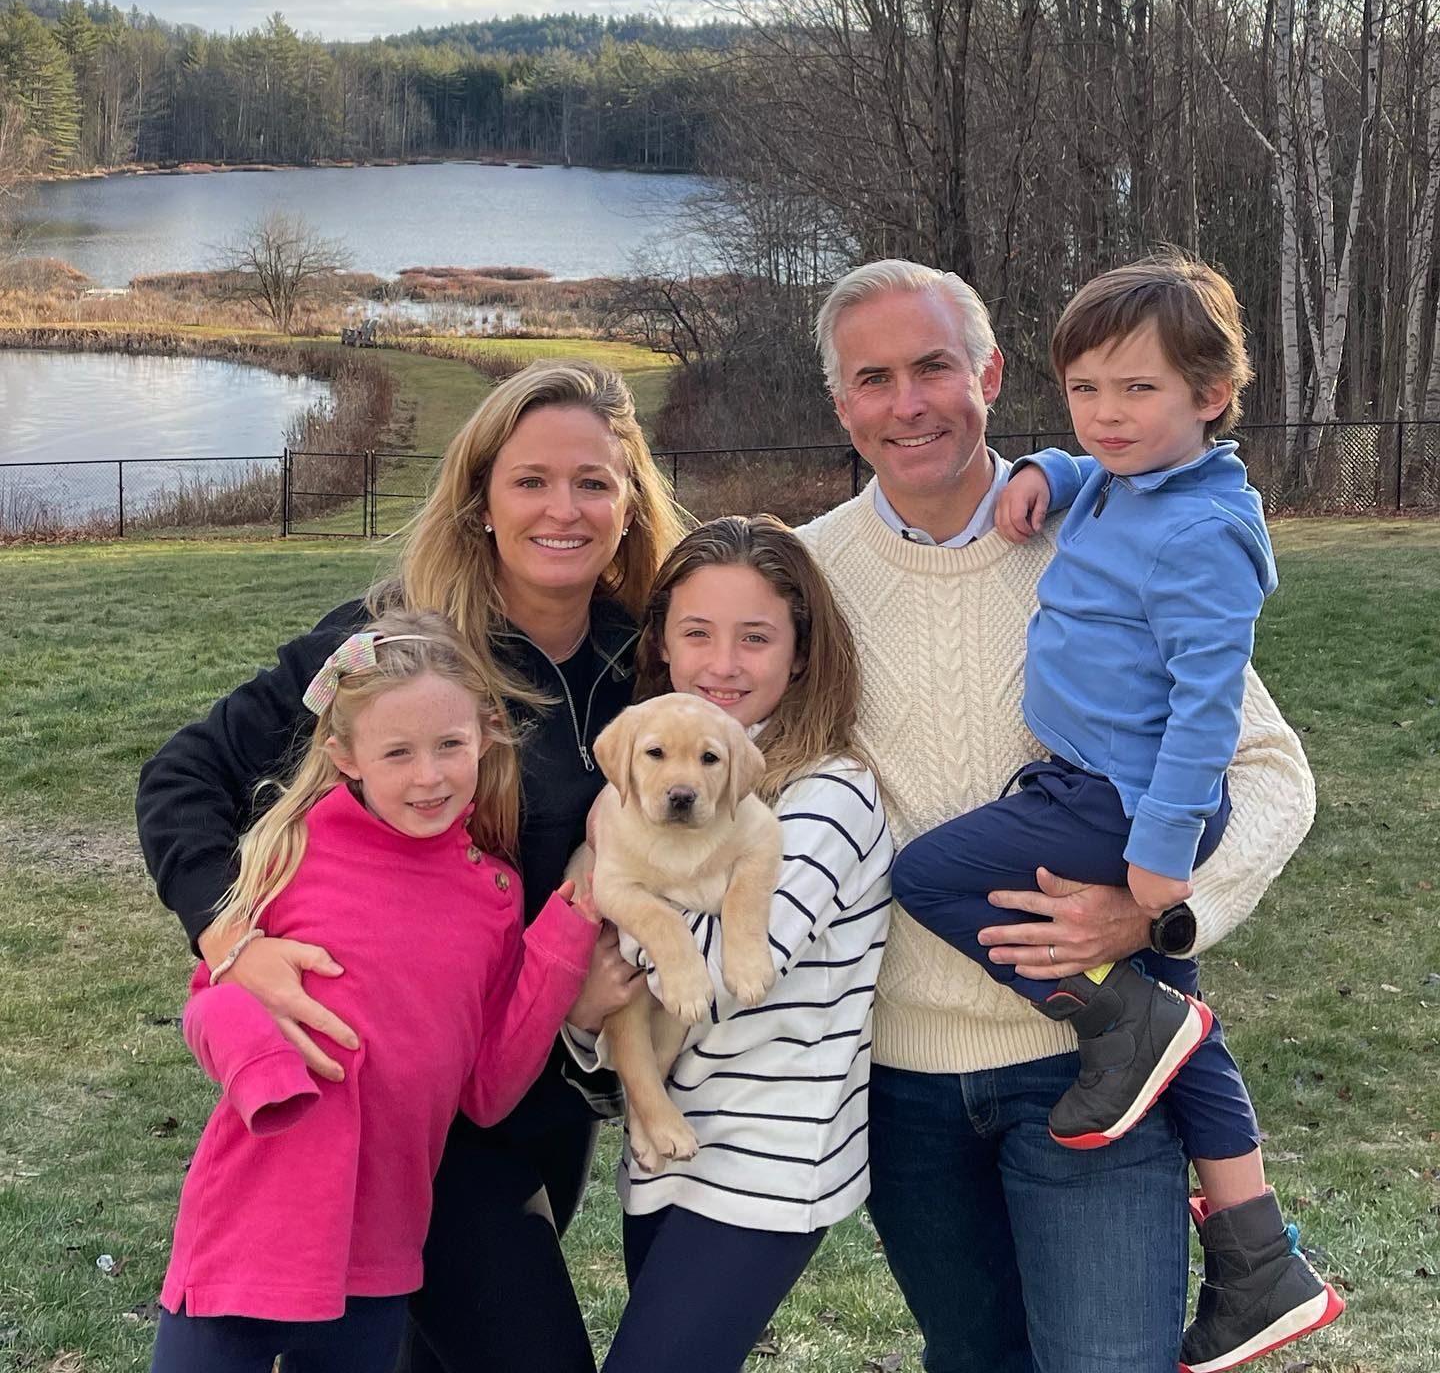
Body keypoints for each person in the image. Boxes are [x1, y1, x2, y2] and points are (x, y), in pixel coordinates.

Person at [794, 259, 1317, 1373]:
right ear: (842, 404)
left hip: (1088, 1067)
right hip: (900, 1079)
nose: (909, 403)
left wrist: (1161, 921)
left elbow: (1270, 772)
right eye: (873, 378)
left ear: (985, 372)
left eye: (935, 366)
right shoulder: (804, 574)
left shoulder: (1107, 535)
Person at [137, 360, 691, 1373]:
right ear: (481, 498)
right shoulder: (394, 645)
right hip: (393, 1111)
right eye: (530, 480)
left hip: (533, 1097)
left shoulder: (648, 664)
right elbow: (186, 776)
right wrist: (232, 940)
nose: (562, 509)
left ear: (628, 501)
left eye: (593, 482)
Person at [150, 612, 601, 1372]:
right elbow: (211, 999)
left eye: (449, 746)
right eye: (398, 753)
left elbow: (487, 1090)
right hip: (248, 1238)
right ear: (345, 756)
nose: (428, 776)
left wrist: (566, 932)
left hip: (383, 1256)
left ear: (485, 736)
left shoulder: (493, 894)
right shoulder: (288, 853)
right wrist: (267, 1073)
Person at [564, 515, 893, 1373]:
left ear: (800, 652)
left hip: (769, 1164)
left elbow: (719, 970)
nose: (723, 663)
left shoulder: (833, 794)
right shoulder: (651, 771)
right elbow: (603, 987)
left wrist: (611, 948)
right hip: (664, 1152)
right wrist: (588, 1005)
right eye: (697, 633)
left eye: (756, 637)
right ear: (664, 644)